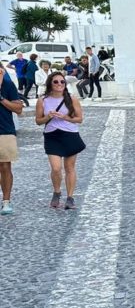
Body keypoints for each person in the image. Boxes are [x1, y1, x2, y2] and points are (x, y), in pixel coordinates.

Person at [37, 71, 86, 210]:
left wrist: (65, 117)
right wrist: (48, 117)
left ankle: (70, 198)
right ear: (50, 84)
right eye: (56, 81)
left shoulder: (72, 98)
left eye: (62, 81)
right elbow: (38, 121)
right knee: (56, 168)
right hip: (52, 136)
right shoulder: (43, 100)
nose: (59, 84)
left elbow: (79, 119)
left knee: (70, 168)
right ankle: (57, 192)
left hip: (70, 134)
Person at [0, 67, 25, 215]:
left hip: (4, 130)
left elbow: (18, 108)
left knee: (5, 166)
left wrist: (1, 98)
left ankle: (6, 201)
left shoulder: (8, 85)